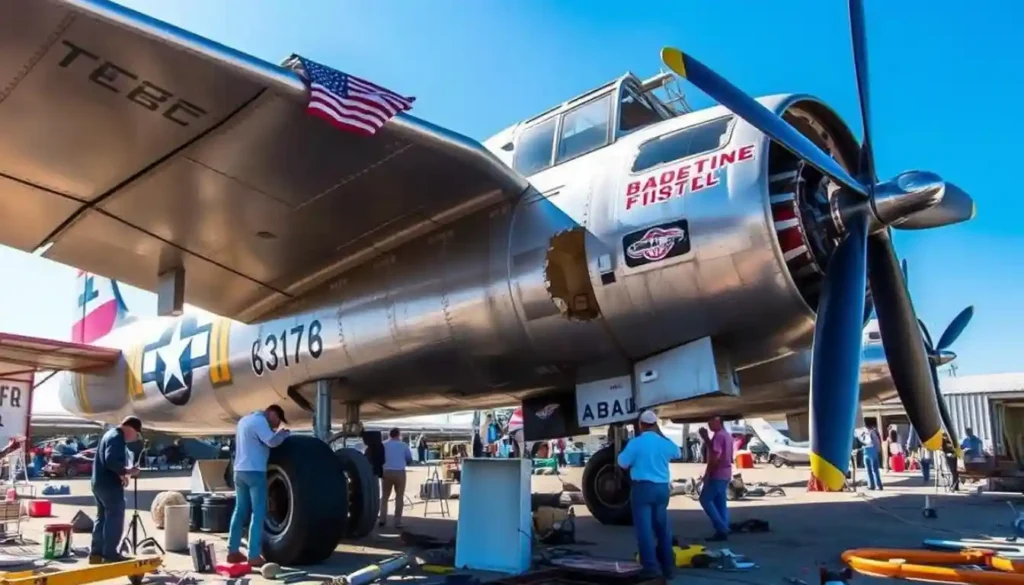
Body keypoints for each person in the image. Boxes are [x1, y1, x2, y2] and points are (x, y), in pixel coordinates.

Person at [616, 410, 679, 580]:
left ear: (641, 425)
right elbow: (678, 452)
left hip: (642, 488)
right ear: (655, 425)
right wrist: (661, 435)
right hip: (662, 489)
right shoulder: (664, 443)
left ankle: (651, 568)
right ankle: (668, 567)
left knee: (645, 531)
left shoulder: (636, 443)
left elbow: (622, 462)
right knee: (663, 529)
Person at [226, 405, 290, 567]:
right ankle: (253, 555)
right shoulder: (260, 421)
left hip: (239, 471)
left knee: (240, 511)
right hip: (255, 472)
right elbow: (272, 441)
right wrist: (283, 434)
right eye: (277, 421)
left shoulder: (244, 421)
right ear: (272, 413)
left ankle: (232, 551)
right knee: (258, 513)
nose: (275, 426)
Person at [90, 417, 142, 565]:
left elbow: (107, 461)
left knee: (102, 518)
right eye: (136, 434)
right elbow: (111, 460)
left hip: (99, 482)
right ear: (130, 428)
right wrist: (127, 471)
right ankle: (110, 554)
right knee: (115, 517)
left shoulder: (109, 434)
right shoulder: (117, 438)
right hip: (109, 485)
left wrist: (121, 474)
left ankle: (96, 554)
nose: (134, 438)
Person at [700, 416, 733, 541]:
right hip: (726, 473)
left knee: (705, 499)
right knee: (720, 502)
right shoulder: (727, 435)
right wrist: (706, 438)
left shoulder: (719, 436)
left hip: (717, 474)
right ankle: (723, 528)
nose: (709, 425)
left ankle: (722, 528)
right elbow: (715, 450)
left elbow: (716, 457)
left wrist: (708, 473)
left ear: (718, 422)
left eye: (710, 422)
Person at [380, 428, 414, 529]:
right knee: (399, 497)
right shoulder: (403, 445)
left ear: (389, 435)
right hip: (400, 472)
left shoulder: (383, 445)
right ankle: (397, 521)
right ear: (399, 435)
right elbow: (409, 459)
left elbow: (380, 458)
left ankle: (382, 520)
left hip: (386, 472)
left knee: (385, 497)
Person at [861, 420, 884, 490]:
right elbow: (877, 443)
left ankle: (876, 485)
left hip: (869, 451)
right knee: (871, 470)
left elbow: (876, 443)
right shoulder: (867, 433)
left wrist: (877, 450)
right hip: (869, 451)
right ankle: (874, 485)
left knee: (872, 470)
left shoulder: (871, 432)